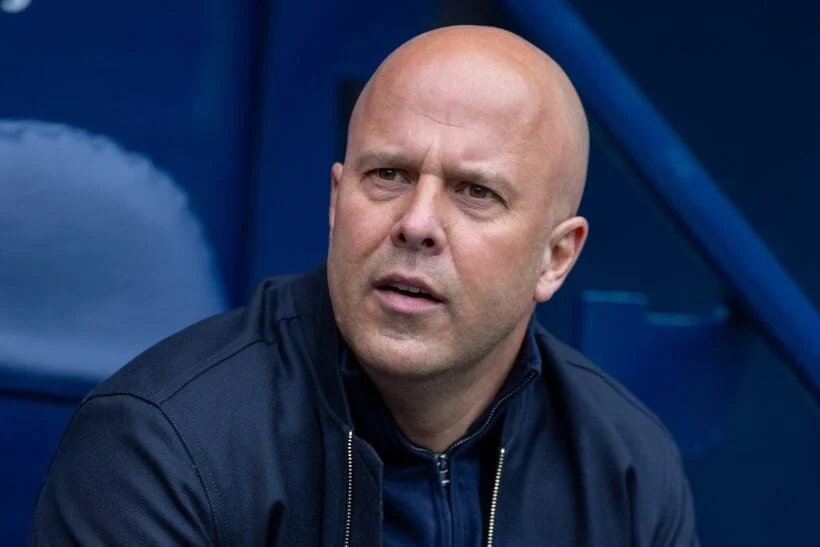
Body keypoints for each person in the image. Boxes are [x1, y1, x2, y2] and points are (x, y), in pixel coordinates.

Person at [31, 25, 698, 545]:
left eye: (475, 191)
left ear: (556, 257)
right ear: (335, 200)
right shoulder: (162, 445)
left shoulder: (625, 468)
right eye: (388, 175)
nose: (416, 223)